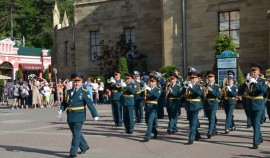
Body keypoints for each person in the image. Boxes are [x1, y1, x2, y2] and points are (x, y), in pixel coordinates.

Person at [58, 72, 99, 158]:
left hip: (79, 116)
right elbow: (64, 103)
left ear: (81, 82)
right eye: (75, 82)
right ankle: (84, 146)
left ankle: (73, 153)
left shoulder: (84, 92)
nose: (76, 83)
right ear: (72, 82)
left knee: (76, 135)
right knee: (77, 134)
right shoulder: (68, 92)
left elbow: (90, 104)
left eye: (78, 82)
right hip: (70, 115)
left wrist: (95, 115)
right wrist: (61, 110)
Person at [246, 63, 267, 149]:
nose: (253, 73)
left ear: (259, 72)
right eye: (252, 71)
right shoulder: (249, 80)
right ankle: (260, 137)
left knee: (257, 123)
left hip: (258, 104)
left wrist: (255, 83)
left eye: (255, 71)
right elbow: (241, 91)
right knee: (253, 123)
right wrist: (246, 83)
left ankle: (255, 142)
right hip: (250, 104)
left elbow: (264, 90)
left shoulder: (262, 81)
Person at [183, 70, 202, 144]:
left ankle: (191, 138)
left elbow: (200, 93)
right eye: (191, 78)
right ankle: (197, 134)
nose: (192, 80)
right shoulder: (188, 85)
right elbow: (180, 94)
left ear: (197, 79)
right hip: (188, 106)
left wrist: (192, 88)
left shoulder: (198, 85)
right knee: (191, 122)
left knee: (193, 123)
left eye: (194, 78)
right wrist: (184, 87)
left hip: (195, 105)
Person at [142, 75, 161, 142]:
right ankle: (155, 132)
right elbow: (142, 96)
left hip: (153, 108)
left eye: (153, 82)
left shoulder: (158, 89)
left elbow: (156, 95)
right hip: (147, 107)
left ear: (156, 83)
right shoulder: (147, 88)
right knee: (147, 122)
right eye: (150, 81)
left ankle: (147, 136)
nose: (151, 83)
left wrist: (149, 89)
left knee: (150, 122)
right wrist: (143, 90)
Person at [204, 71, 221, 139]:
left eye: (211, 77)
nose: (209, 78)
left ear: (214, 78)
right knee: (209, 117)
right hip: (207, 103)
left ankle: (210, 132)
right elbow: (203, 96)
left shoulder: (217, 86)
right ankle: (214, 130)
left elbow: (218, 95)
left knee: (211, 117)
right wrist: (205, 93)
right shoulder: (205, 86)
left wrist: (211, 91)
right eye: (208, 77)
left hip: (214, 103)